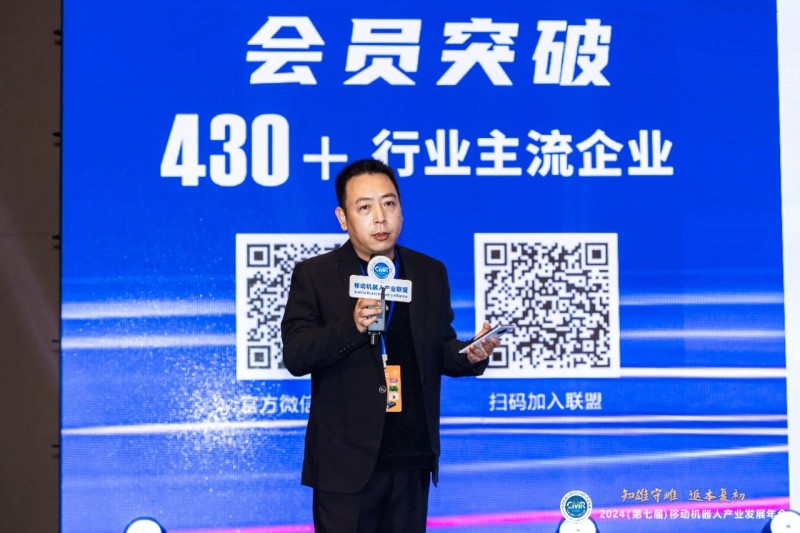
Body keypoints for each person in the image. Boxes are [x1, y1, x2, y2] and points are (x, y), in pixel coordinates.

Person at [281, 158, 500, 533]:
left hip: (411, 457)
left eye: (389, 203)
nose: (380, 218)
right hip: (345, 466)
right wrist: (352, 326)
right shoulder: (316, 274)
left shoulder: (429, 272)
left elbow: (440, 349)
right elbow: (297, 355)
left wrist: (470, 355)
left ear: (401, 210)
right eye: (365, 207)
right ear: (343, 218)